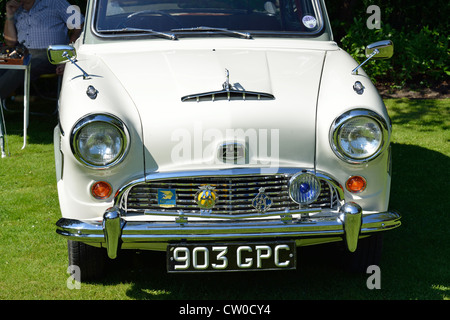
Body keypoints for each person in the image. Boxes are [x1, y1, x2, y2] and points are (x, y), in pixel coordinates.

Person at [0, 0, 84, 100]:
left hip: (49, 53)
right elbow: (10, 42)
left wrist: (69, 51)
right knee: (4, 63)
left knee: (20, 67)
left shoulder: (56, 3)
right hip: (21, 52)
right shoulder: (17, 9)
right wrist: (9, 15)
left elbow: (81, 24)